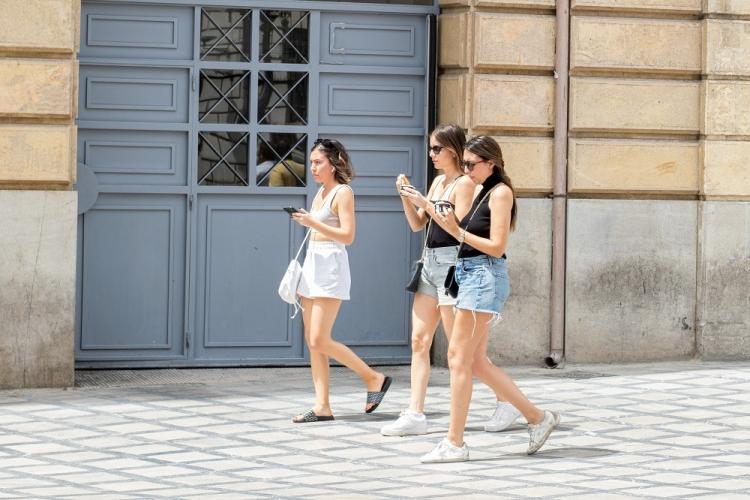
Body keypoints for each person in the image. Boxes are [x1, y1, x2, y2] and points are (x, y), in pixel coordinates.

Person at [420, 135, 560, 462]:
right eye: (464, 163)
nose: (466, 169)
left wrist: (455, 230)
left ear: (490, 163)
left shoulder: (501, 193)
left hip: (484, 276)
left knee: (457, 358)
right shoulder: (482, 191)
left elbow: (497, 246)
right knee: (476, 362)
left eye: (471, 164)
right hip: (471, 274)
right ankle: (539, 418)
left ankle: (455, 443)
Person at [382, 124, 522, 437]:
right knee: (419, 341)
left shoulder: (465, 184)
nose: (431, 154)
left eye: (436, 149)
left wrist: (425, 202)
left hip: (453, 265)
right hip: (429, 263)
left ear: (454, 151)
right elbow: (419, 225)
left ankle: (506, 400)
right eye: (430, 148)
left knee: (463, 355)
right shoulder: (437, 182)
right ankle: (415, 412)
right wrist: (408, 198)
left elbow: (455, 226)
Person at [291, 138, 392, 423]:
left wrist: (313, 222)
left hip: (331, 267)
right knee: (313, 343)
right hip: (313, 266)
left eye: (318, 162)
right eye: (311, 162)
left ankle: (373, 377)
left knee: (319, 337)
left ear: (335, 163)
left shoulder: (342, 192)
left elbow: (348, 236)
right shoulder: (320, 193)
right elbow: (316, 234)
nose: (312, 167)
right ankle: (322, 406)